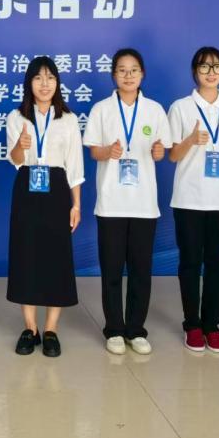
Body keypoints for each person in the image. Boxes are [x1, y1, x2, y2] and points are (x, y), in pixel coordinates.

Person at [83, 48, 171, 356]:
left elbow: (162, 149)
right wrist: (107, 152)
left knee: (140, 271)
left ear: (142, 74)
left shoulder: (155, 110)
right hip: (111, 203)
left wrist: (159, 152)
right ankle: (114, 330)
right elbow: (93, 151)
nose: (128, 75)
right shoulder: (102, 109)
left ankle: (136, 329)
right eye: (122, 70)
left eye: (134, 70)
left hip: (144, 204)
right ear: (114, 75)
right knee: (111, 270)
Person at [167, 47, 219, 353]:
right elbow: (172, 155)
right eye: (204, 67)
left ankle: (211, 325)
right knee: (190, 263)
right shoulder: (181, 107)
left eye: (217, 67)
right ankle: (192, 324)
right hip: (189, 199)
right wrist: (191, 140)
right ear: (195, 71)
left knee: (217, 265)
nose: (211, 72)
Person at [5, 56, 84, 358]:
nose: (45, 83)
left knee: (56, 257)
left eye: (50, 77)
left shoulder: (68, 119)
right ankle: (30, 328)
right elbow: (15, 161)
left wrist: (76, 204)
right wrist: (20, 146)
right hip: (26, 187)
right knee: (26, 255)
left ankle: (51, 329)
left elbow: (74, 165)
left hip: (57, 189)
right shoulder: (16, 117)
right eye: (38, 78)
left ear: (57, 83)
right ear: (29, 83)